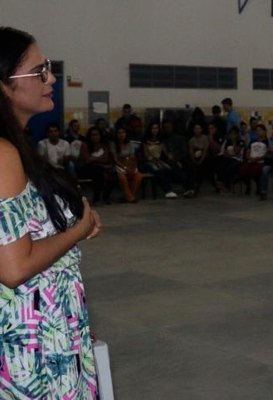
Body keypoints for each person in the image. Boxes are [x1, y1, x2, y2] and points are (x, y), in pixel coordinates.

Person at [0, 26, 100, 398]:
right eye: (39, 71)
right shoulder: (3, 154)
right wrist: (80, 227)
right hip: (26, 339)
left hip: (49, 324)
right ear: (3, 85)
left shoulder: (19, 146)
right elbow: (13, 268)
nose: (52, 78)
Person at [110, 126, 142, 203]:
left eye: (123, 132)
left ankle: (128, 196)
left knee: (138, 176)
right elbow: (115, 159)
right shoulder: (113, 144)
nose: (121, 134)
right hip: (119, 165)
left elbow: (133, 157)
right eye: (119, 133)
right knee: (122, 177)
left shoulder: (129, 144)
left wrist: (131, 167)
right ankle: (130, 197)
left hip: (129, 164)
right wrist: (124, 166)